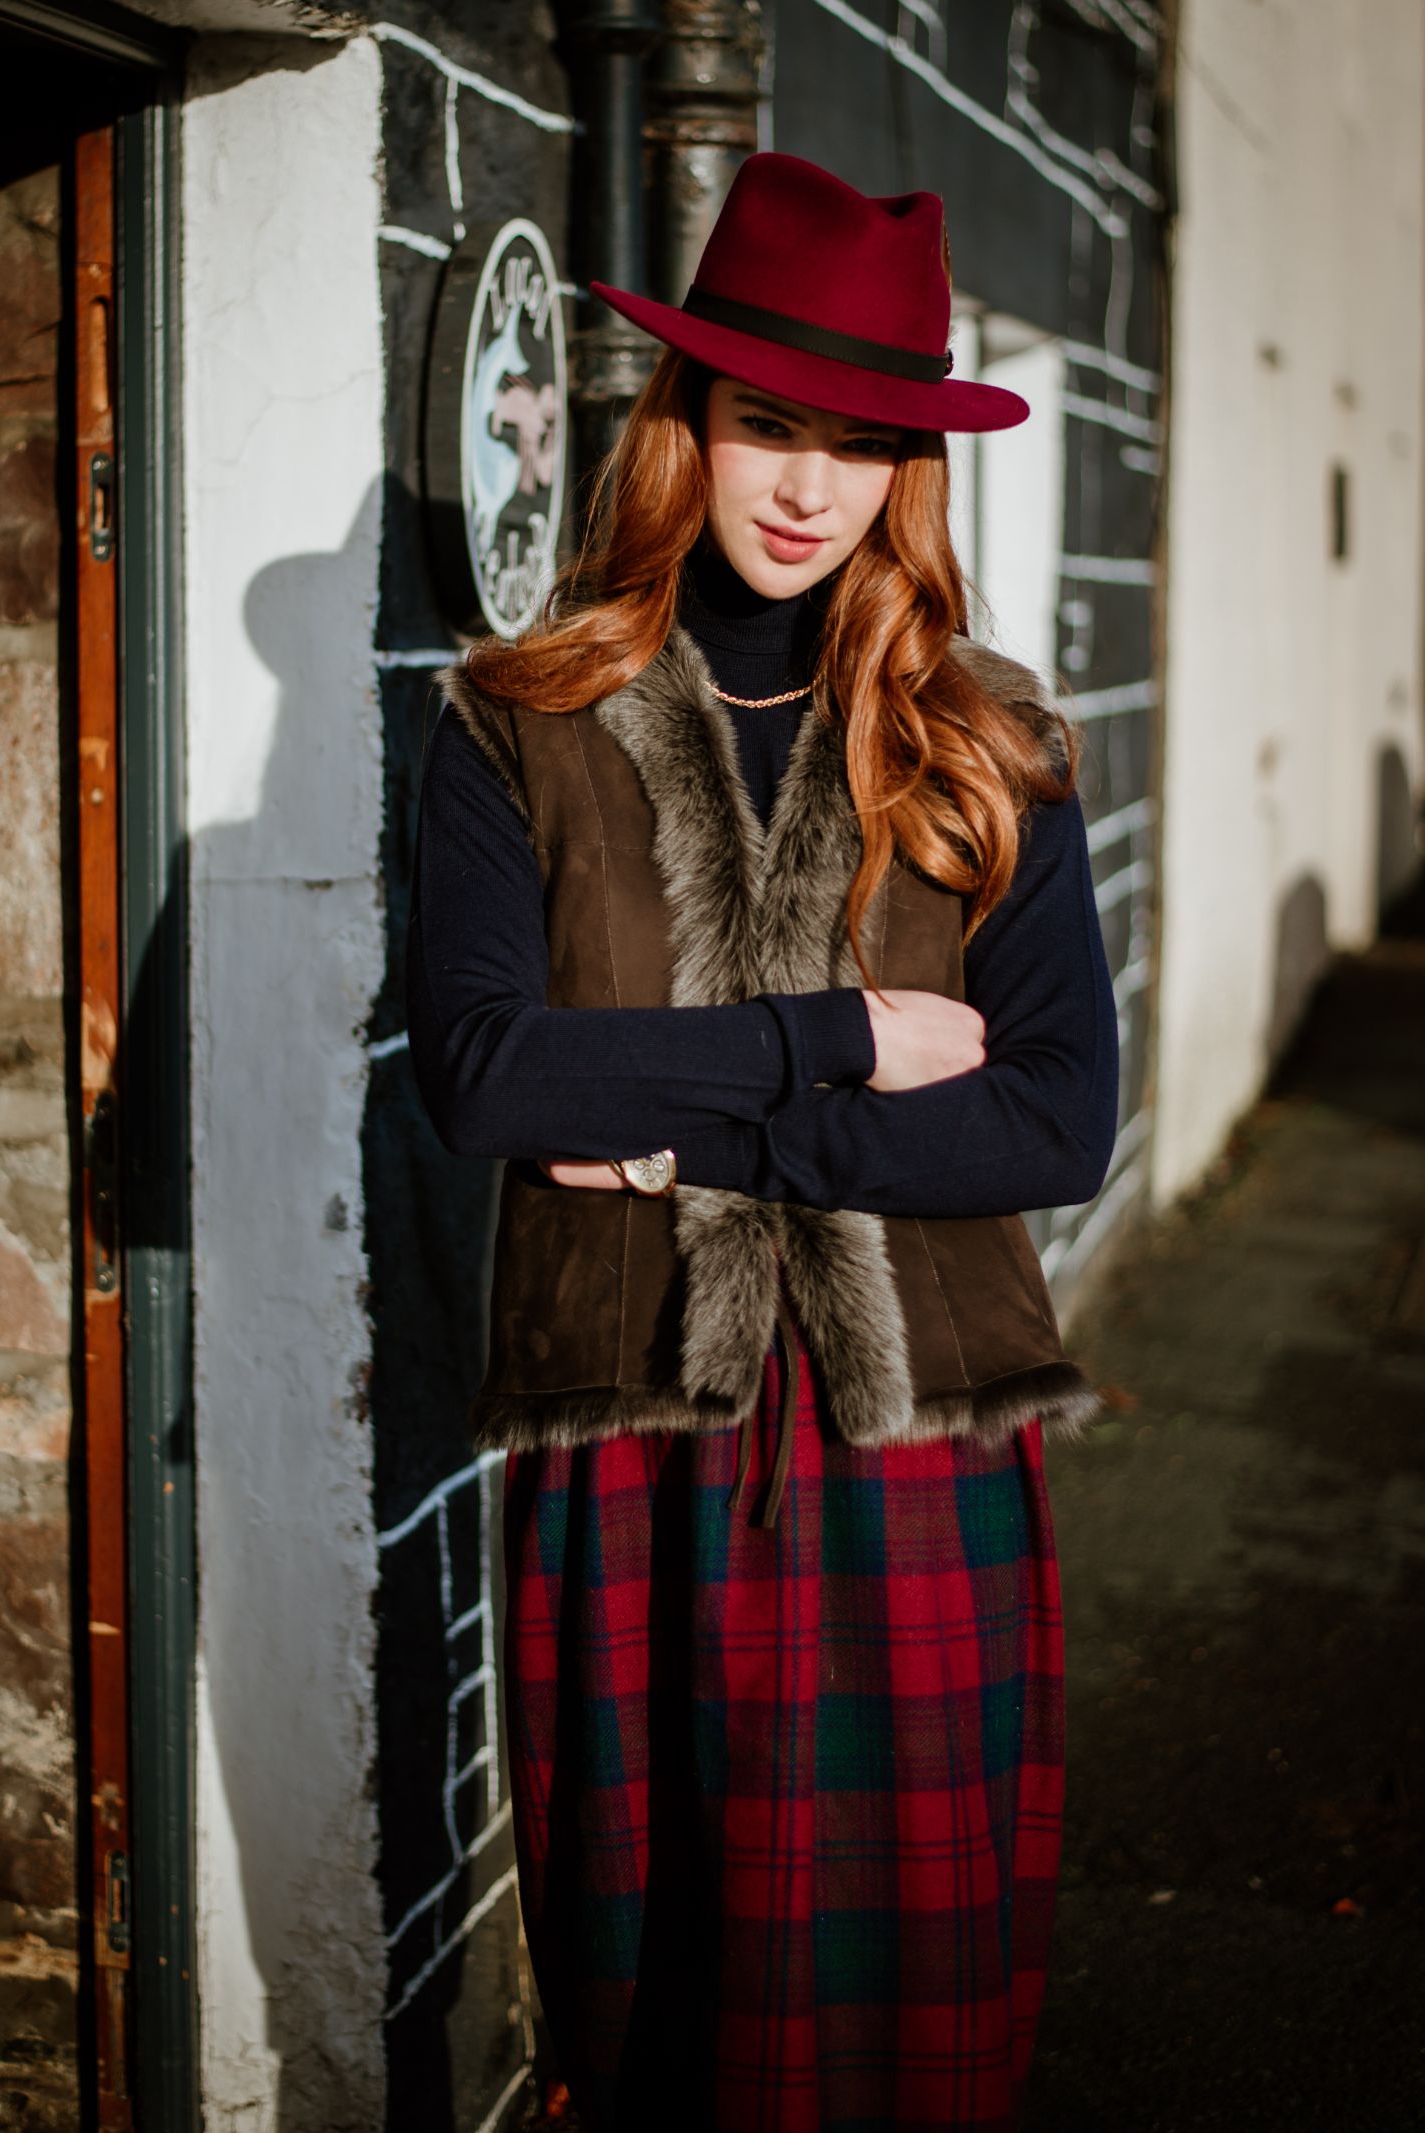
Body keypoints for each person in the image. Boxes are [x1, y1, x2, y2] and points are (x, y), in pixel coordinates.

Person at [406, 152, 1118, 2133]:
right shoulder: (516, 718)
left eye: (860, 441)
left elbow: (1057, 1111)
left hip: (914, 1441)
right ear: (686, 419)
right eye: (764, 423)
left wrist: (684, 1132)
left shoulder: (990, 746)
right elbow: (485, 1078)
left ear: (911, 466)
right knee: (652, 2005)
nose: (807, 486)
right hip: (629, 1432)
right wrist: (843, 1040)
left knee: (911, 2003)